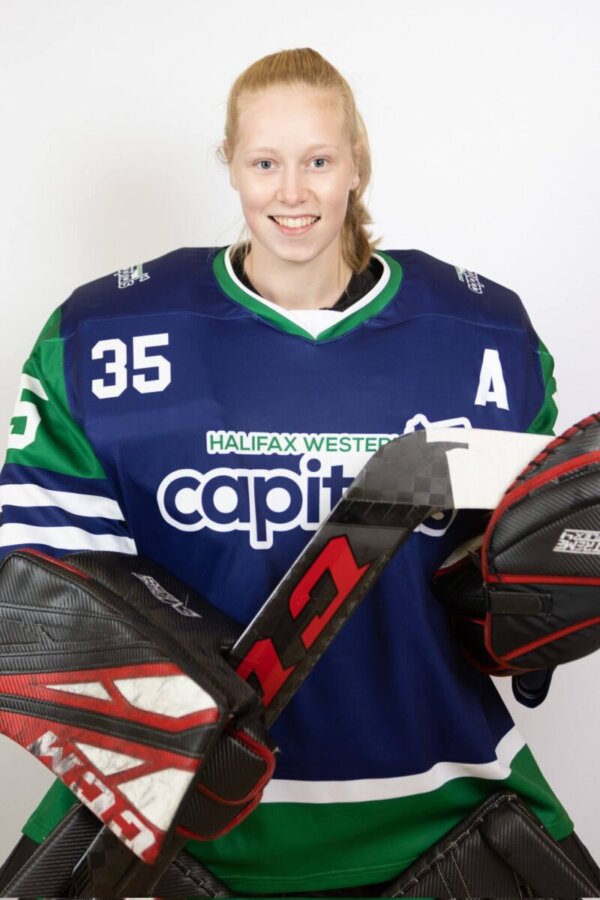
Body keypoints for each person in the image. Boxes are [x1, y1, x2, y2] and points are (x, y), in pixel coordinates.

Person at [0, 47, 598, 896]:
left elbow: (509, 596)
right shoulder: (103, 338)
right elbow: (35, 599)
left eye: (318, 161)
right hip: (178, 825)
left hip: (440, 802)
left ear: (357, 162)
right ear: (231, 166)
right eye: (265, 163)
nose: (292, 191)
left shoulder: (484, 339)